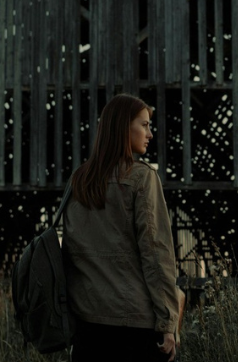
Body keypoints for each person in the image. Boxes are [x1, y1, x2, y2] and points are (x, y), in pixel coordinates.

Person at [64, 93, 183, 362]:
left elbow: (71, 253)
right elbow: (156, 253)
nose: (150, 133)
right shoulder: (142, 177)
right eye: (144, 125)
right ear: (122, 128)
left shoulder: (79, 180)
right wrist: (167, 324)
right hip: (134, 327)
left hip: (87, 326)